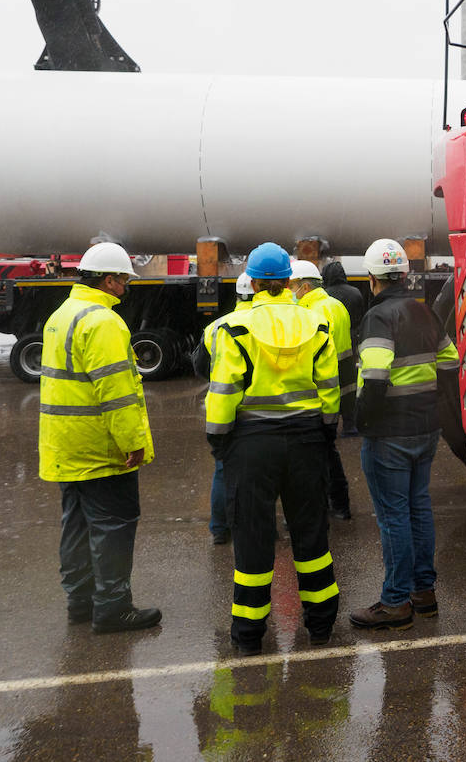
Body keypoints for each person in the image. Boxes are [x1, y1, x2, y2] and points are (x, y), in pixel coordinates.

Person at [205, 242, 341, 655]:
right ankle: (320, 625)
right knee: (312, 534)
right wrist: (325, 430)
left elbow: (223, 391)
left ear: (254, 281)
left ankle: (248, 636)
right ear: (287, 280)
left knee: (252, 538)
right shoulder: (316, 324)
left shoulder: (235, 328)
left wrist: (219, 438)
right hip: (306, 440)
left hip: (251, 444)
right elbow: (329, 389)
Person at [38, 241, 161, 634]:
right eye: (124, 280)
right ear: (109, 280)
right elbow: (117, 393)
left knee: (76, 526)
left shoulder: (62, 314)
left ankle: (81, 603)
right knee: (113, 526)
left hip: (66, 444)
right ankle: (112, 608)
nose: (126, 288)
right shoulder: (103, 322)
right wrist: (132, 443)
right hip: (100, 446)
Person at [349, 238, 458, 632]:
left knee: (393, 517)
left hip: (389, 434)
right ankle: (423, 594)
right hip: (424, 429)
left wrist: (364, 422)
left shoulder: (379, 317)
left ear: (373, 279)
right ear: (404, 275)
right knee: (417, 509)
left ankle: (395, 602)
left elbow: (375, 378)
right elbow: (451, 360)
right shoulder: (423, 311)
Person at [192, 271, 255, 544]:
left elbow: (200, 367)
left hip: (223, 411)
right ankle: (259, 528)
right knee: (260, 474)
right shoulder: (270, 322)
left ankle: (219, 529)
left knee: (223, 470)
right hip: (260, 412)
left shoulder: (217, 326)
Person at [290, 259, 354, 519]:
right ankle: (341, 504)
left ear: (304, 287)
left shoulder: (312, 313)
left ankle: (331, 505)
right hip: (338, 388)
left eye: (291, 285)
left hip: (319, 394)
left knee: (318, 454)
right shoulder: (335, 305)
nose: (288, 290)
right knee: (328, 451)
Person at [320, 258, 365, 436]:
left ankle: (328, 423)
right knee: (349, 384)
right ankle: (349, 423)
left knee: (327, 384)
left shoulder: (325, 295)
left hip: (329, 343)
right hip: (350, 342)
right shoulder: (355, 293)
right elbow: (359, 318)